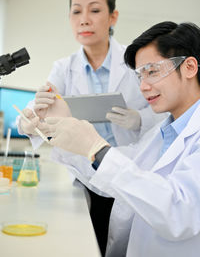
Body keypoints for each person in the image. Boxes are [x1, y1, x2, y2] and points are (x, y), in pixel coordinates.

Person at [18, 0, 165, 257]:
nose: (84, 19)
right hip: (84, 172)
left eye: (94, 10)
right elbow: (38, 104)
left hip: (130, 165)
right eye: (76, 12)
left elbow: (167, 111)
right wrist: (28, 120)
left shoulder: (134, 60)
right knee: (84, 241)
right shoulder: (64, 68)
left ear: (113, 17)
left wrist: (140, 120)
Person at [45, 21, 200, 257]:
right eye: (139, 76)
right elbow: (114, 175)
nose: (144, 86)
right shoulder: (164, 132)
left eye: (152, 71)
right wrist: (53, 129)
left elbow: (179, 213)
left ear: (189, 67)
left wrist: (97, 149)